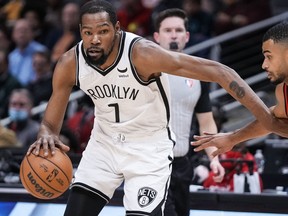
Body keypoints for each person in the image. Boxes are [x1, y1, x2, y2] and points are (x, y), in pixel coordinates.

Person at [26, 1, 288, 215]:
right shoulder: (70, 62)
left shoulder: (143, 54)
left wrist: (267, 119)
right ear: (80, 31)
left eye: (103, 31)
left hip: (148, 150)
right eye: (87, 32)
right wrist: (46, 133)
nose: (94, 39)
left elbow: (220, 71)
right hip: (103, 146)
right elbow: (50, 122)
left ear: (117, 29)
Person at [153, 8, 224, 216]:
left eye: (178, 30)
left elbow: (206, 122)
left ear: (187, 36)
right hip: (151, 164)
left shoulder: (197, 74)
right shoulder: (143, 72)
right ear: (157, 37)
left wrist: (214, 158)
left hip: (182, 164)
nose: (173, 34)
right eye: (167, 30)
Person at [192, 21, 288, 157]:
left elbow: (274, 125)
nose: (264, 65)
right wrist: (232, 138)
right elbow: (272, 120)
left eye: (269, 57)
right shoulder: (283, 89)